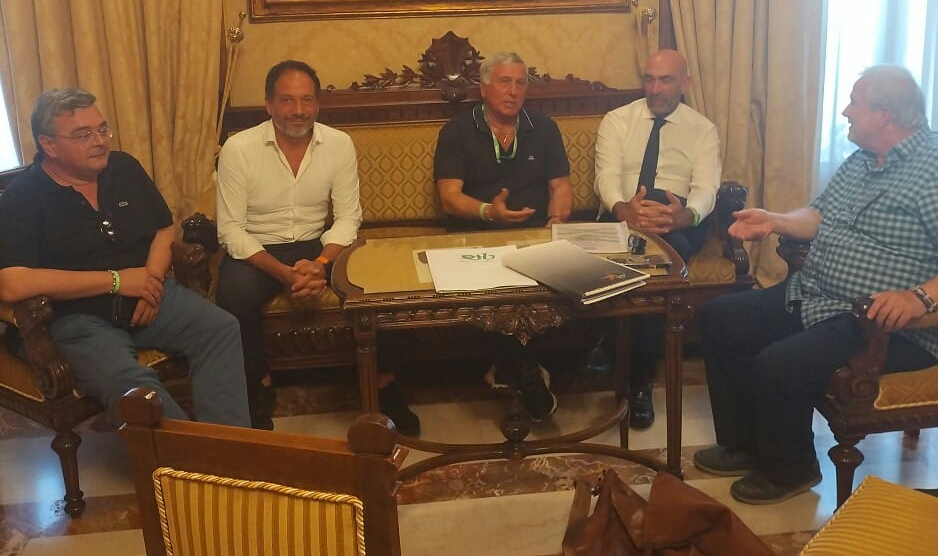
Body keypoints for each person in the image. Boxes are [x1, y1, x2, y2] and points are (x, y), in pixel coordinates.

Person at [693, 66, 938, 505]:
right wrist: (774, 220)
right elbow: (818, 215)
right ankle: (743, 446)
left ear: (885, 115)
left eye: (855, 102)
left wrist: (919, 298)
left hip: (885, 324)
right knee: (721, 318)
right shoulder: (862, 159)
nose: (846, 111)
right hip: (818, 296)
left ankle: (791, 470)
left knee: (779, 364)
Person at [0, 88, 250, 428]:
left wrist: (151, 283)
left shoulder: (124, 168)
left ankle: (231, 448)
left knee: (220, 328)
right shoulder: (23, 197)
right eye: (83, 135)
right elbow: (11, 283)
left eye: (102, 129)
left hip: (149, 296)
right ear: (49, 145)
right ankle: (188, 456)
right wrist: (117, 281)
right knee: (135, 389)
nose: (99, 141)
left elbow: (164, 229)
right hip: (75, 319)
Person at [216, 60, 419, 434]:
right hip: (259, 247)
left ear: (317, 103)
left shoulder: (338, 144)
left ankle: (384, 383)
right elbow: (230, 230)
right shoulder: (238, 148)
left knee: (378, 282)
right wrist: (285, 273)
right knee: (233, 294)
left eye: (307, 100)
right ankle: (257, 386)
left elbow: (348, 217)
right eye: (287, 100)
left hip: (316, 244)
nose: (298, 110)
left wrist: (321, 263)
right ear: (269, 104)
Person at [433, 51, 573, 420]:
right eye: (504, 82)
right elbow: (449, 197)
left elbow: (561, 187)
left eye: (520, 83)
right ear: (483, 88)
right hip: (474, 237)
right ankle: (526, 371)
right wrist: (488, 212)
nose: (513, 91)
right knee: (498, 284)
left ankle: (511, 369)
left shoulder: (545, 129)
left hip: (534, 236)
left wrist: (555, 220)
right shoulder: (457, 131)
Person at [594, 49, 721, 429]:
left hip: (675, 220)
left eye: (665, 80)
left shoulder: (703, 129)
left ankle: (628, 368)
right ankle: (634, 372)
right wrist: (624, 209)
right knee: (642, 258)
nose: (655, 88)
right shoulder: (617, 120)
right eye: (649, 79)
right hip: (623, 215)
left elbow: (706, 189)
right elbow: (606, 176)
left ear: (685, 83)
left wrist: (684, 215)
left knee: (663, 259)